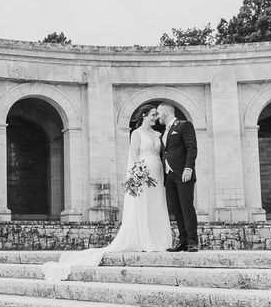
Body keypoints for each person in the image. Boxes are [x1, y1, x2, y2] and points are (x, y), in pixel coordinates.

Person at [41, 104, 172, 281]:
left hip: (157, 173)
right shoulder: (136, 134)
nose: (155, 117)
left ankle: (158, 240)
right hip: (143, 173)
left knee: (157, 205)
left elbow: (164, 154)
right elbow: (133, 155)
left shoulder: (158, 134)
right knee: (144, 205)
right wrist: (138, 172)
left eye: (157, 114)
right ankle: (145, 240)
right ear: (144, 116)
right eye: (152, 114)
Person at [157, 103, 199, 252]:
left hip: (183, 174)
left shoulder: (183, 125)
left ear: (167, 112)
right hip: (169, 176)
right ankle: (183, 241)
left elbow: (191, 148)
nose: (157, 117)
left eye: (158, 113)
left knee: (186, 207)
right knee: (176, 209)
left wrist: (188, 168)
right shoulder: (164, 132)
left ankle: (193, 242)